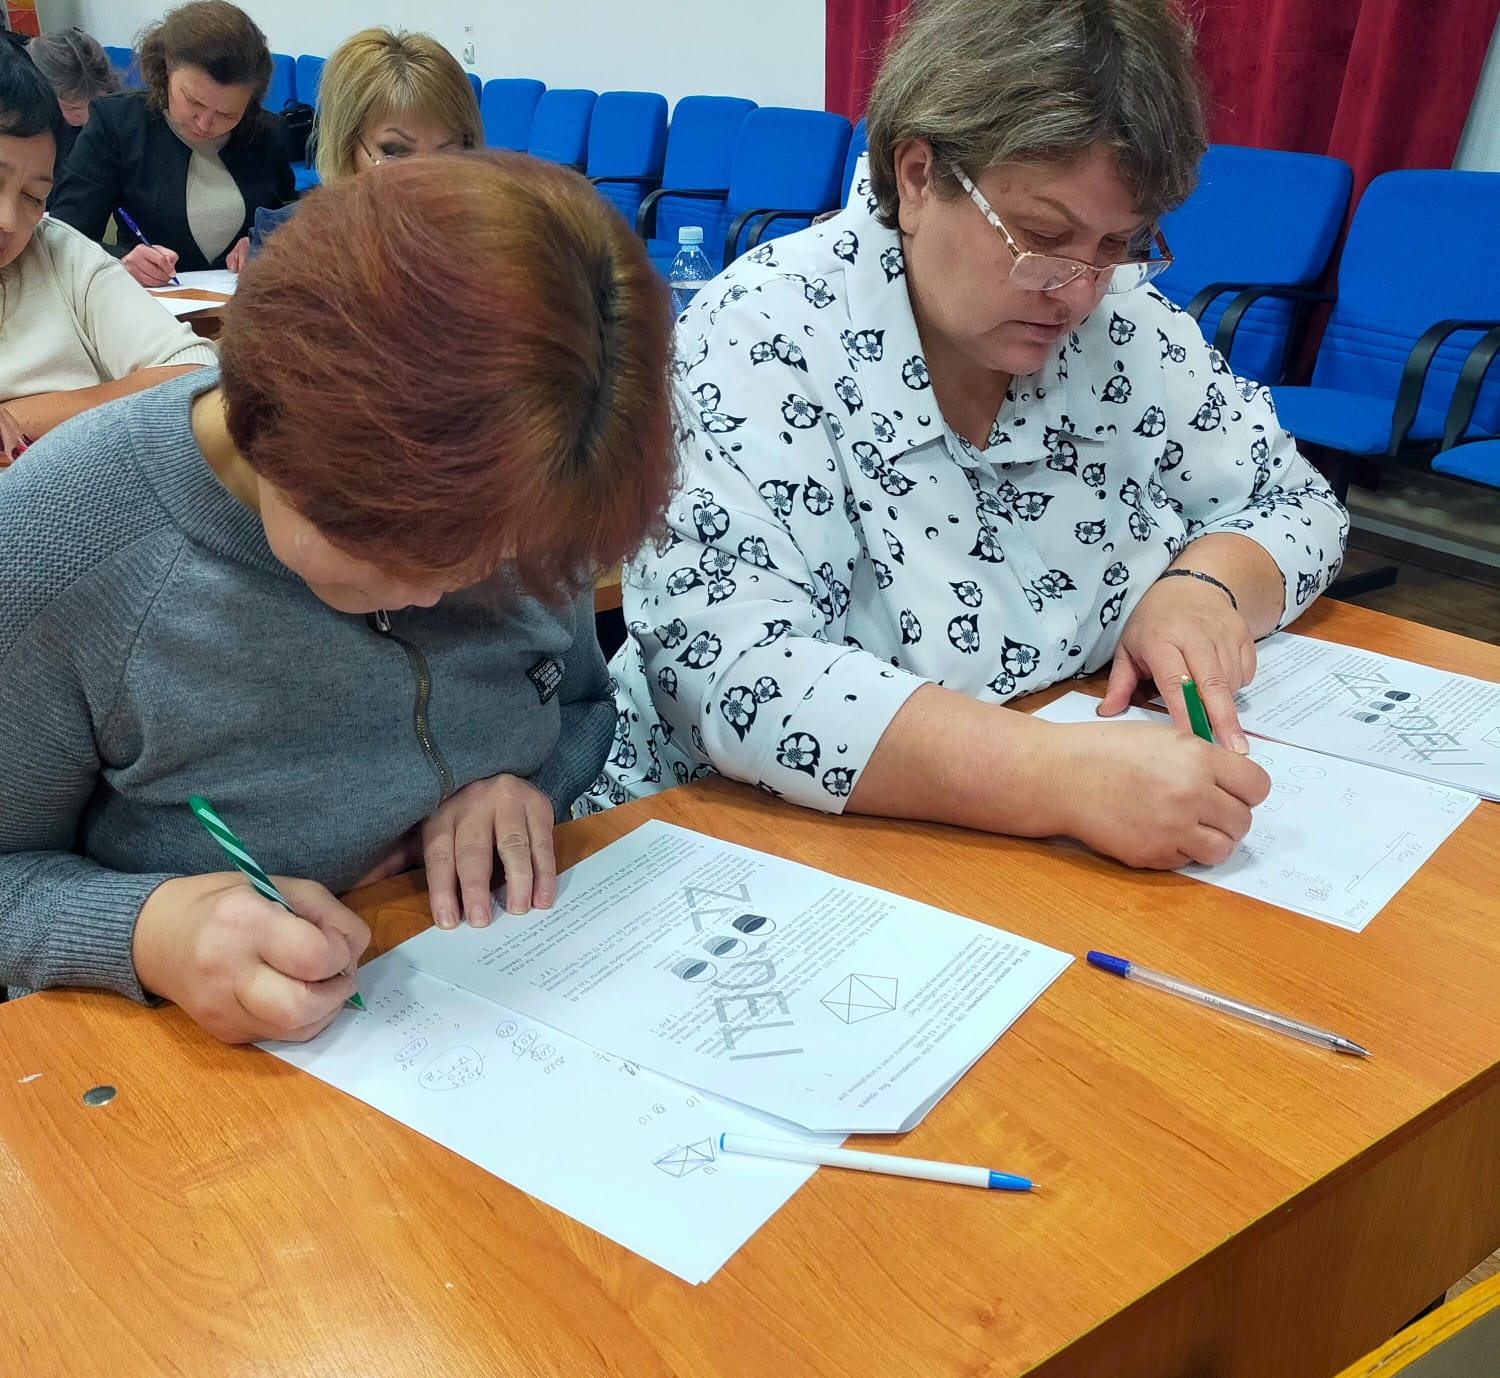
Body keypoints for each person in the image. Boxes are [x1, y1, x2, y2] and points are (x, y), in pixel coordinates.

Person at [587, 0, 1349, 872]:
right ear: (917, 177)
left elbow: (1295, 501)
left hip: (1008, 852)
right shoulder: (763, 334)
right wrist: (1058, 776)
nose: (1079, 290)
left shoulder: (1126, 328)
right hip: (741, 842)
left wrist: (1203, 588)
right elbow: (733, 673)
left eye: (1117, 243)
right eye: (1044, 237)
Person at [0, 152, 675, 1042]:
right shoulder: (67, 539)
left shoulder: (527, 478)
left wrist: (530, 786)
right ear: (271, 417)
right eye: (403, 551)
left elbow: (583, 703)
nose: (442, 592)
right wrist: (148, 931)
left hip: (492, 994)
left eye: (498, 558)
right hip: (188, 1075)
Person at [0, 44, 214, 460]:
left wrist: (18, 416)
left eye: (33, 196)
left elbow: (197, 374)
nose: (8, 220)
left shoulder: (62, 256)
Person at [48, 1, 293, 285]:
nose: (204, 124)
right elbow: (64, 235)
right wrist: (120, 262)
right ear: (165, 71)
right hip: (149, 300)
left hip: (244, 300)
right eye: (193, 101)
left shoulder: (267, 134)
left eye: (228, 114)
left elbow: (290, 219)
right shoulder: (118, 123)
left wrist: (267, 241)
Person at [249, 26, 482, 254]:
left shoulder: (489, 241)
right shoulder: (287, 245)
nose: (424, 180)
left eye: (447, 154)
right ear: (346, 145)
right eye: (395, 151)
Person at [26, 27, 119, 180]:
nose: (87, 118)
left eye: (96, 103)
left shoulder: (118, 109)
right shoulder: (30, 137)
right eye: (73, 108)